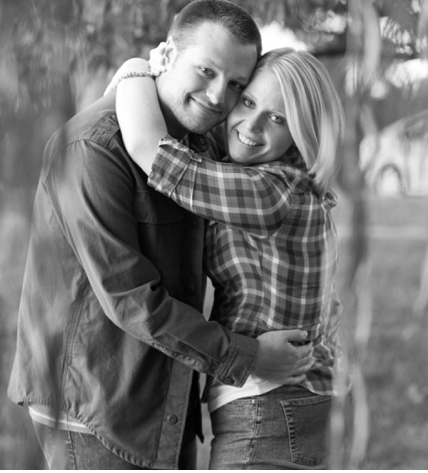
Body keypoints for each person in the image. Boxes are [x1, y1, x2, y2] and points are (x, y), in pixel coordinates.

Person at [8, 0, 315, 470]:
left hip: (168, 397)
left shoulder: (203, 143)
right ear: (167, 56)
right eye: (206, 71)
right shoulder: (92, 148)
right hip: (96, 405)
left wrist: (133, 71)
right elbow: (131, 299)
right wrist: (251, 358)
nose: (218, 96)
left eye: (236, 84)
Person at [114, 46, 345, 469]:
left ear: (303, 132)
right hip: (292, 403)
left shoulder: (271, 194)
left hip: (271, 409)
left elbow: (152, 150)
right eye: (249, 102)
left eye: (277, 119)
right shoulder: (285, 186)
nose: (251, 126)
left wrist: (134, 69)